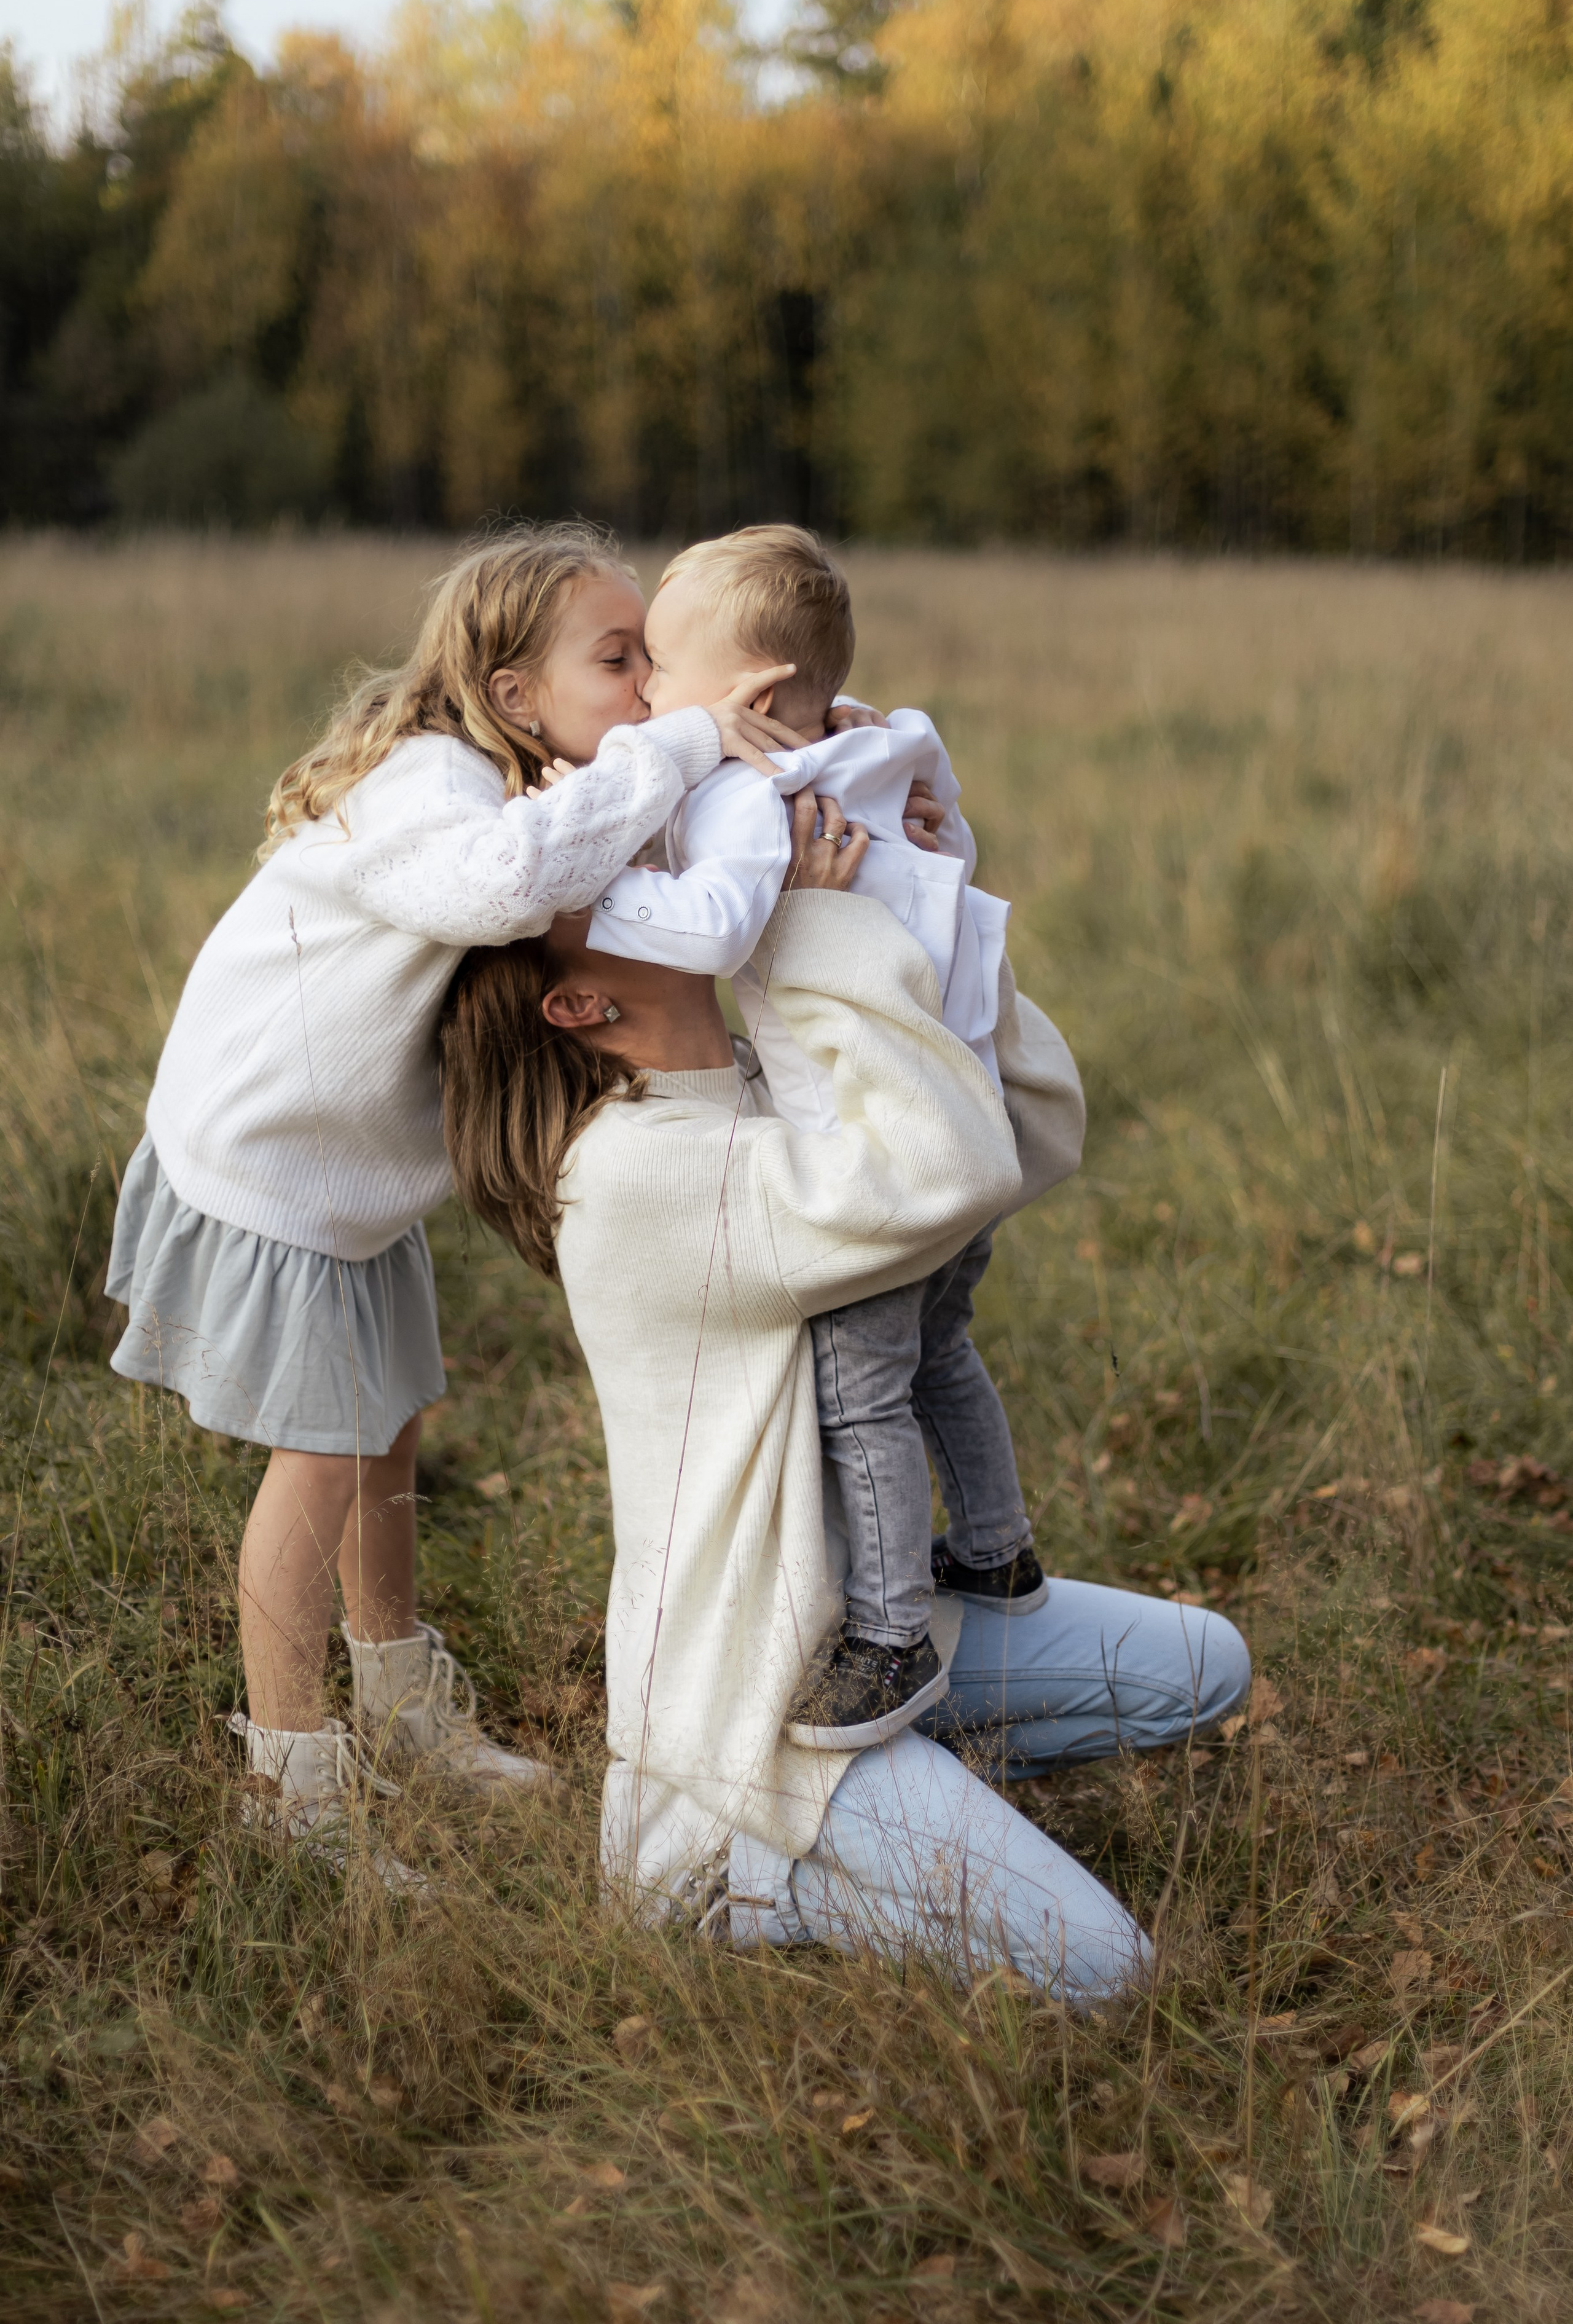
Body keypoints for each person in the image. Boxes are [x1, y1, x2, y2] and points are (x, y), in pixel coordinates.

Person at [437, 791, 1252, 1996]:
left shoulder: (760, 1086)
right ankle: (718, 1881)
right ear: (581, 1005)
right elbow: (945, 1163)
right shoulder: (631, 1174)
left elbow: (1026, 1134)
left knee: (1204, 1667)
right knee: (1110, 1973)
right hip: (755, 1709)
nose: (670, 879)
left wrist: (919, 892)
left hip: (870, 1633)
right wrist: (813, 930)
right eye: (620, 901)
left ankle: (911, 1786)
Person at [105, 521, 800, 1877]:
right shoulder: (431, 785)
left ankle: (403, 1698)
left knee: (392, 1428)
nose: (653, 698)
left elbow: (659, 887)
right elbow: (508, 884)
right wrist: (682, 746)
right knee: (318, 1463)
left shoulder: (545, 780)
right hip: (272, 1173)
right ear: (512, 694)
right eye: (622, 664)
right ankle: (292, 1787)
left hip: (348, 1184)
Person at [530, 523, 1046, 1751]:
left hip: (881, 1138)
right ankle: (996, 1552)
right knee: (942, 1350)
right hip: (960, 1104)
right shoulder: (884, 743)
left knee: (859, 1386)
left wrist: (588, 879)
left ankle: (888, 1635)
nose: (650, 694)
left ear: (752, 697)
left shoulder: (745, 796)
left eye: (660, 666)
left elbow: (709, 928)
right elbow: (937, 821)